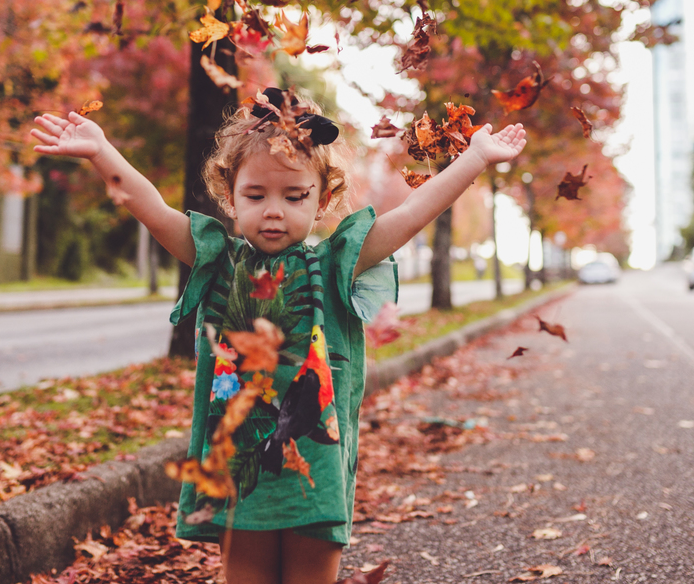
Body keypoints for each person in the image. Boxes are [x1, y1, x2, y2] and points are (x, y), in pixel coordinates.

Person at [31, 88, 526, 584]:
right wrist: (102, 152)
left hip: (316, 469)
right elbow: (154, 209)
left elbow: (413, 215)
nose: (274, 211)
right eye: (255, 196)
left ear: (323, 198)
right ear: (229, 195)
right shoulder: (218, 261)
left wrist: (476, 158)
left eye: (294, 197)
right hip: (239, 467)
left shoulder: (335, 264)